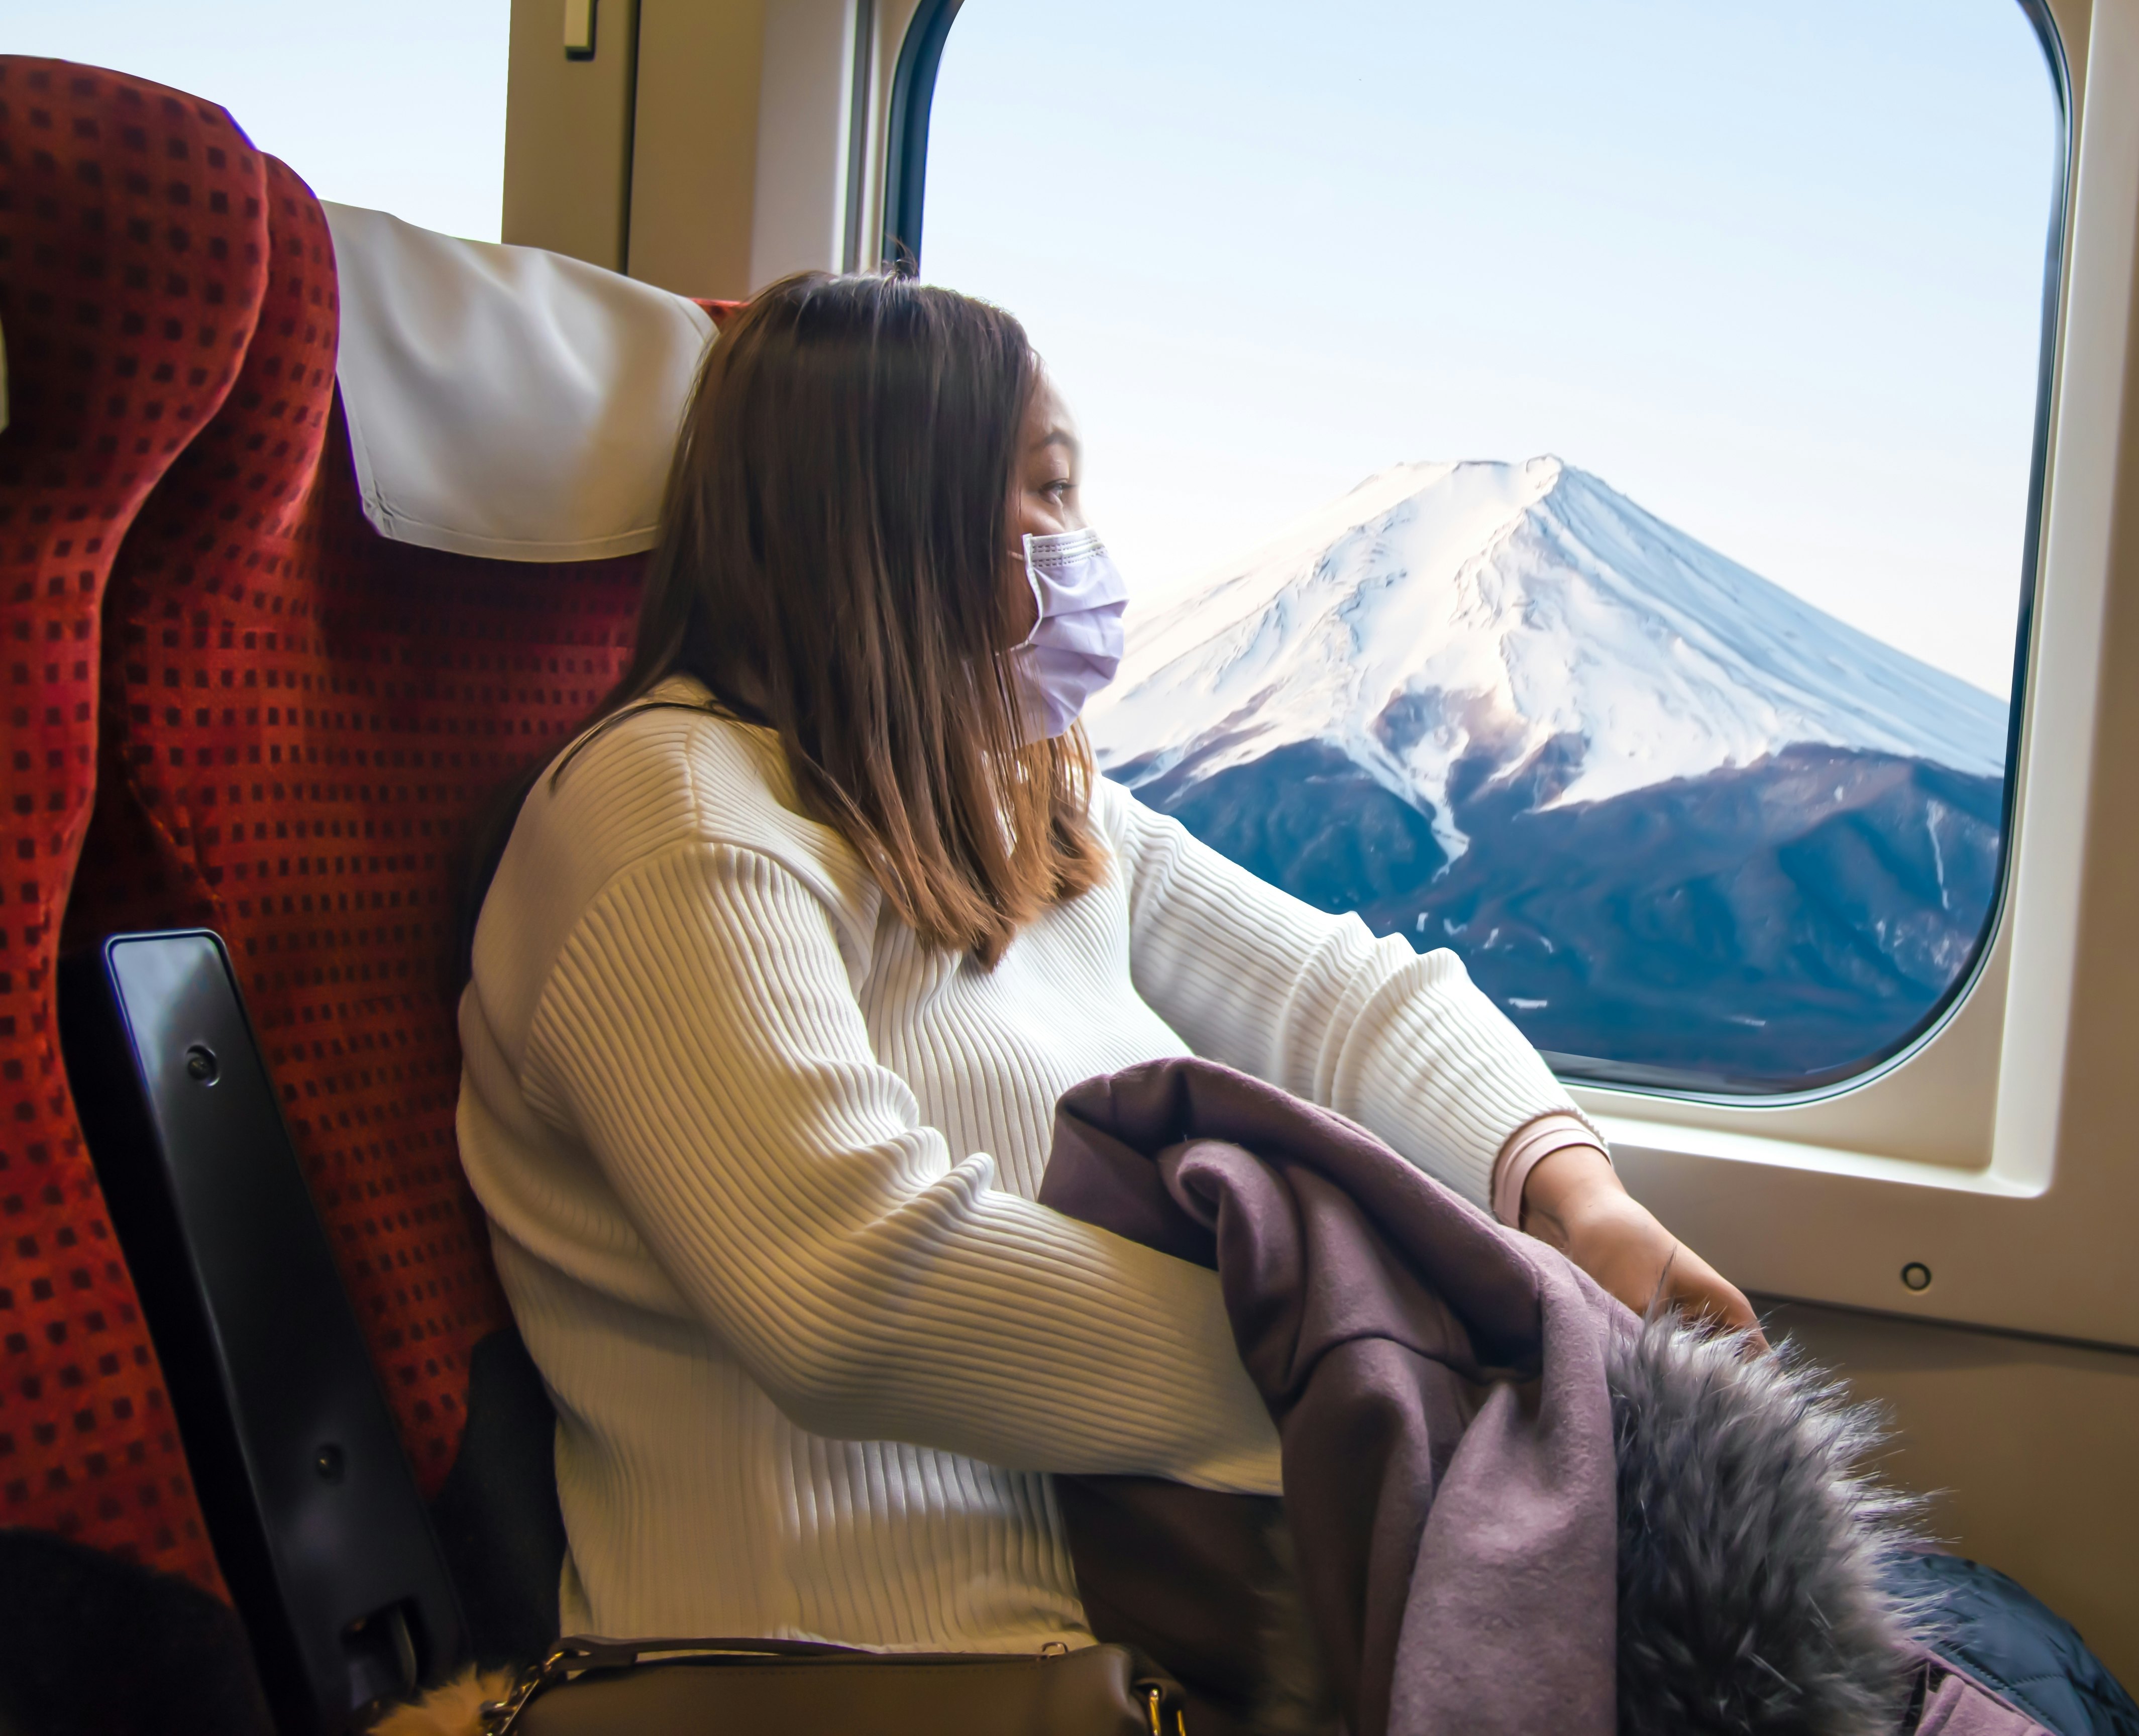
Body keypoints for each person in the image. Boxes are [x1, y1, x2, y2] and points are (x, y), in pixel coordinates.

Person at [454, 270, 1755, 1655]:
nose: (1083, 544)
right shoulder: (673, 823)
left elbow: (1351, 1002)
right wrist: (1391, 1366)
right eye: (1051, 493)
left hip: (1153, 1630)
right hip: (851, 1674)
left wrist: (1572, 1196)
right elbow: (856, 1298)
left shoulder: (1019, 796)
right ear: (891, 515)